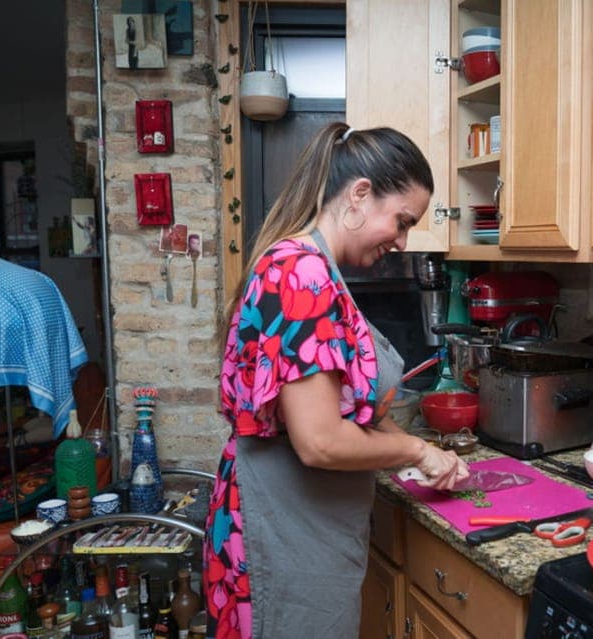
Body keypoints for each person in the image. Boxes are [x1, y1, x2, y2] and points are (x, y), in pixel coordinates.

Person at [203, 122, 469, 639]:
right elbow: (320, 441)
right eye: (402, 220)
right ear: (360, 194)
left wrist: (425, 450)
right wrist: (416, 452)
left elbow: (353, 410)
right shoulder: (301, 272)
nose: (403, 240)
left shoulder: (312, 268)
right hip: (285, 529)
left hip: (302, 523)